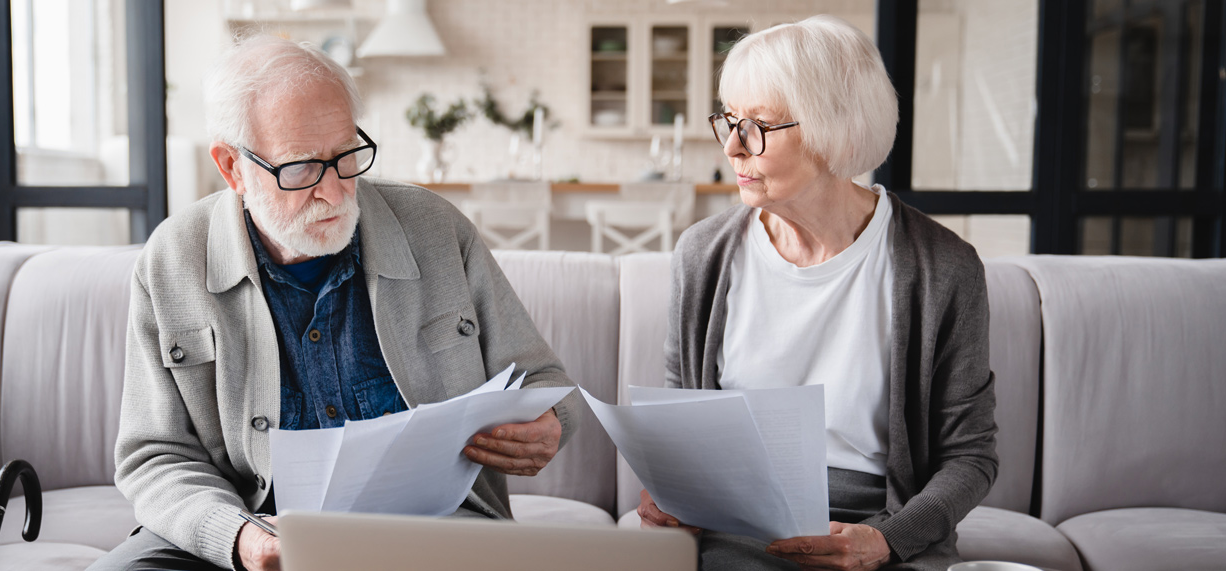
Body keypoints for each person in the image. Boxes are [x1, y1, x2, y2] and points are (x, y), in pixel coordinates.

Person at [90, 35, 581, 571]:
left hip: (431, 531)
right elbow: (154, 455)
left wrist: (549, 423)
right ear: (232, 167)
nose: (335, 190)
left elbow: (545, 385)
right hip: (248, 526)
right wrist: (238, 538)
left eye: (346, 155)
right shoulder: (172, 260)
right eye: (300, 168)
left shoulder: (438, 230)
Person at [637, 15, 998, 571]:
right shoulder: (703, 253)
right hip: (736, 526)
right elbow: (681, 424)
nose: (733, 147)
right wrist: (672, 489)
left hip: (880, 529)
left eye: (757, 124)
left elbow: (969, 456)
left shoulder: (944, 267)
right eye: (729, 120)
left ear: (835, 129)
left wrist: (887, 540)